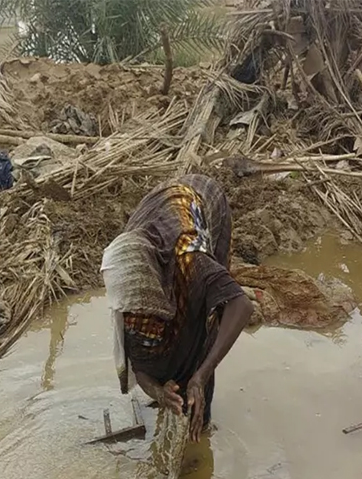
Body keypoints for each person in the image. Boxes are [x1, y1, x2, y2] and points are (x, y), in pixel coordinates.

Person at [100, 174, 253, 441]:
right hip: (159, 214)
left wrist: (201, 375)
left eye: (146, 313)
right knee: (158, 336)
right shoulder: (128, 295)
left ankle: (200, 410)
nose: (139, 319)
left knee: (202, 315)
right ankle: (180, 391)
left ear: (157, 292)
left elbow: (241, 306)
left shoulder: (190, 258)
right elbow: (141, 366)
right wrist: (160, 393)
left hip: (203, 202)